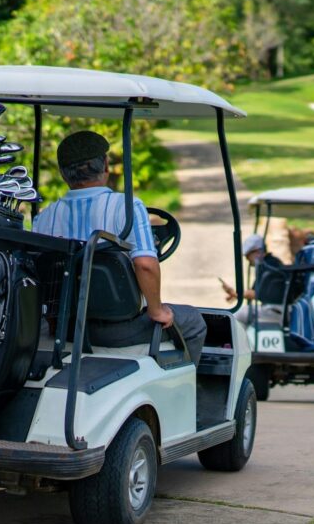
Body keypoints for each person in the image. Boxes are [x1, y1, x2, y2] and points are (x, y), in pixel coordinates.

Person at [32, 131, 207, 364]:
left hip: (66, 327)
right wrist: (156, 310)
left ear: (63, 173)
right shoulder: (126, 208)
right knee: (194, 321)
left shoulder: (44, 218)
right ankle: (185, 394)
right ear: (105, 165)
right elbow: (145, 265)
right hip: (119, 330)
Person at [222, 233, 284, 325]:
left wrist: (235, 293)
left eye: (248, 255)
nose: (247, 259)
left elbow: (255, 294)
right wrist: (235, 294)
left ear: (258, 251)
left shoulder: (270, 266)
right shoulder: (267, 264)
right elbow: (253, 291)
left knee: (237, 315)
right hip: (272, 309)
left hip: (276, 310)